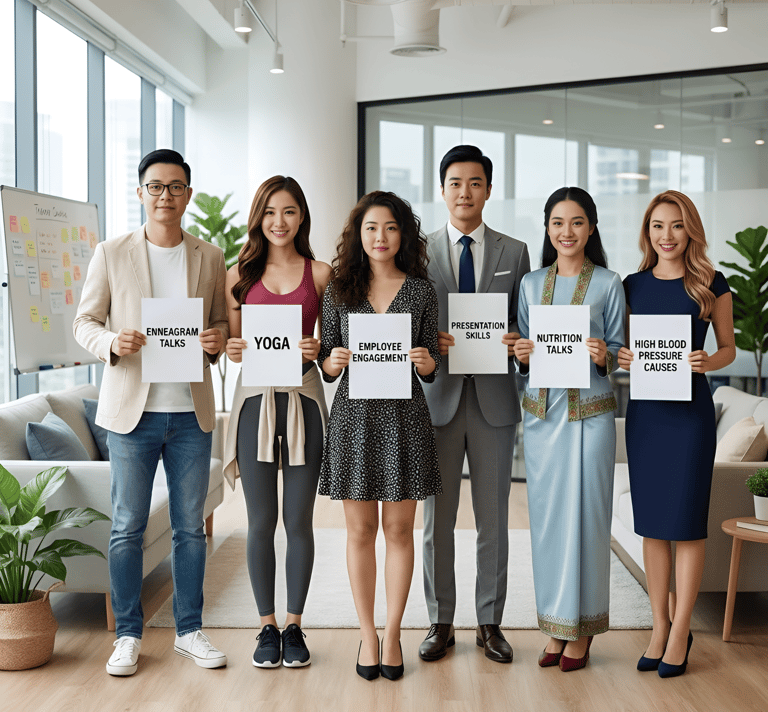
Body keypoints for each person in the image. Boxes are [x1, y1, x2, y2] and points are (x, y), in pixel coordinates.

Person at [74, 149, 229, 675]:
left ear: (188, 193)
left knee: (190, 528)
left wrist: (215, 340)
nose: (166, 195)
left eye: (176, 186)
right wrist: (113, 341)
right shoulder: (111, 252)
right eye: (156, 187)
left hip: (189, 413)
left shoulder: (209, 256)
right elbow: (84, 322)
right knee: (126, 528)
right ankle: (128, 634)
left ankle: (189, 630)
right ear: (140, 193)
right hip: (131, 415)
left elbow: (219, 325)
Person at [318, 191, 441, 681]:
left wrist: (428, 362)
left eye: (390, 228)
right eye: (371, 228)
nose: (381, 237)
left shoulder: (421, 291)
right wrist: (333, 360)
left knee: (398, 531)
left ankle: (393, 633)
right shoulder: (339, 291)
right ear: (358, 234)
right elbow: (325, 361)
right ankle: (366, 632)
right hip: (354, 421)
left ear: (402, 234)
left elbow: (431, 362)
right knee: (360, 531)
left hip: (405, 420)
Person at [420, 145, 530, 664]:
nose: (465, 192)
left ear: (488, 189)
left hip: (494, 401)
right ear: (442, 189)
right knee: (436, 521)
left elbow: (525, 324)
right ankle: (440, 622)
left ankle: (490, 623)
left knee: (493, 520)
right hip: (436, 398)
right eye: (456, 183)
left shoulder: (516, 251)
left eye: (476, 183)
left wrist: (513, 340)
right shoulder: (417, 252)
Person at [618, 190, 735, 678]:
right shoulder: (631, 285)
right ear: (647, 233)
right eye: (657, 227)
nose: (666, 236)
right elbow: (621, 349)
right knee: (652, 527)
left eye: (677, 226)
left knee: (685, 525)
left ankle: (681, 630)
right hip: (646, 416)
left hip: (689, 418)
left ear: (691, 231)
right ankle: (658, 627)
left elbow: (728, 348)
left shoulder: (711, 283)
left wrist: (707, 360)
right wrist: (621, 359)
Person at [513, 186, 625, 672]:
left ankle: (584, 629)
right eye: (558, 222)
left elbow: (621, 351)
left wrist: (606, 356)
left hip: (592, 417)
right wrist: (518, 355)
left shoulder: (609, 283)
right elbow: (523, 351)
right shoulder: (530, 283)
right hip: (542, 420)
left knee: (589, 521)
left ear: (591, 227)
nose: (566, 232)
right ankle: (556, 628)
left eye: (576, 222)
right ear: (547, 228)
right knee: (549, 525)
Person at [222, 176, 332, 668]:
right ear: (258, 218)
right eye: (269, 212)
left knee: (299, 521)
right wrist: (229, 346)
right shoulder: (237, 275)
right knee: (261, 521)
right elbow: (232, 341)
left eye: (288, 212)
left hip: (304, 399)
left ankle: (295, 625)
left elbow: (332, 351)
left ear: (301, 216)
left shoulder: (322, 274)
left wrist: (319, 349)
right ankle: (266, 627)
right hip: (254, 404)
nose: (279, 222)